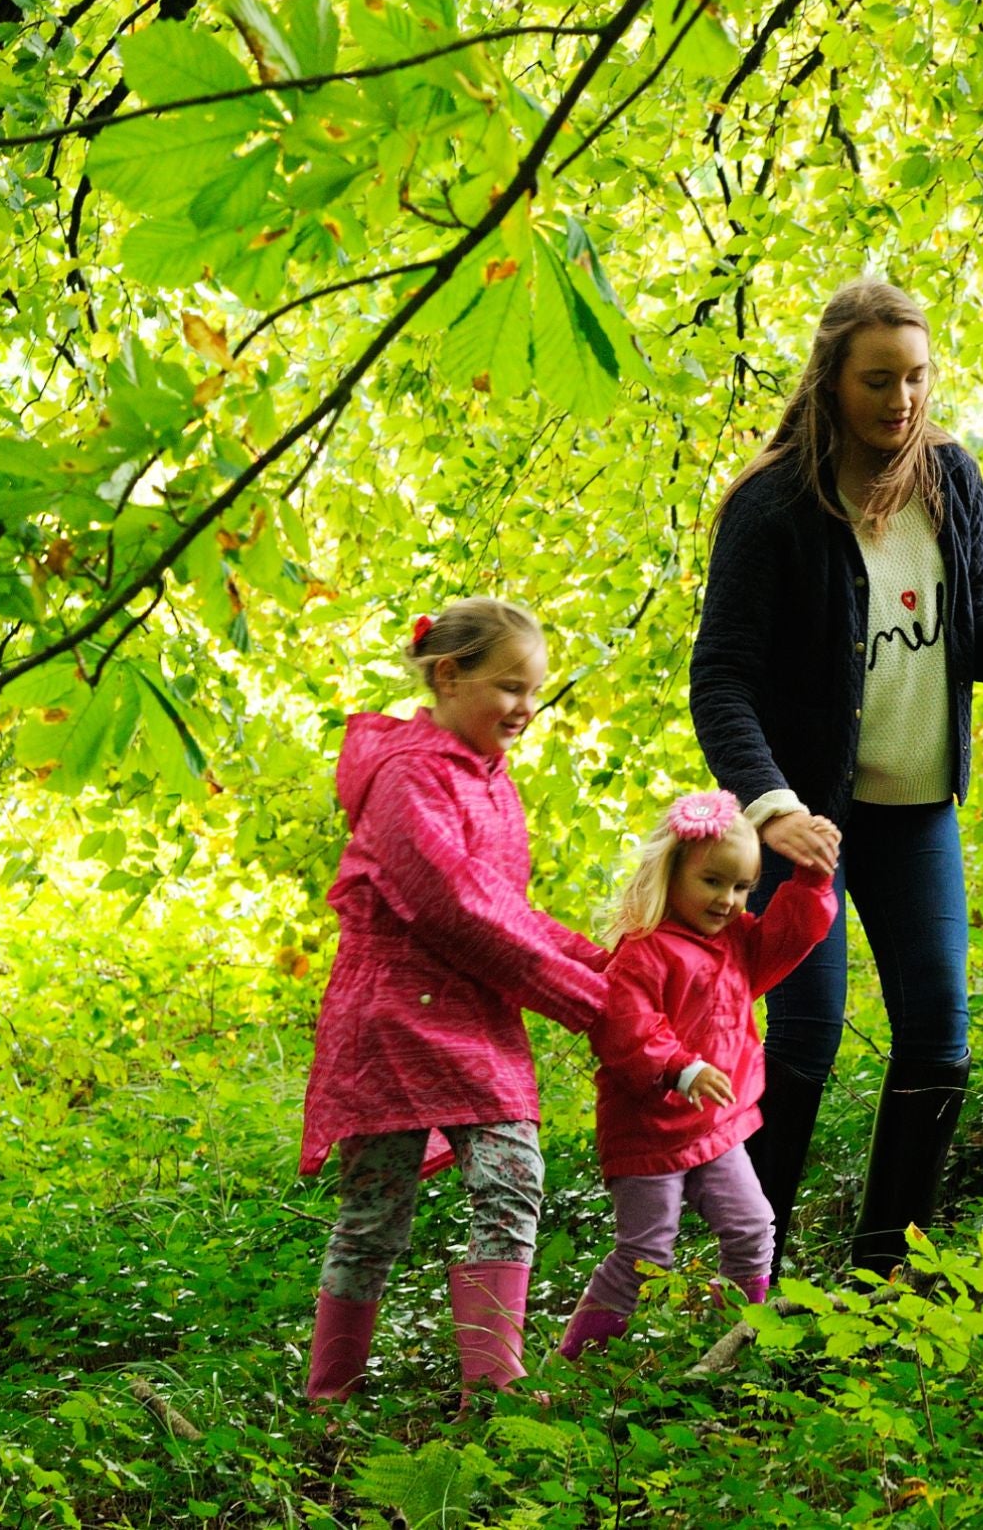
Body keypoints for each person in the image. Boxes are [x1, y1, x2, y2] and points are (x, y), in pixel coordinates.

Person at [690, 279, 983, 1277]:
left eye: (915, 378)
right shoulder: (773, 506)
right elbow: (722, 679)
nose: (899, 400)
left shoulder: (953, 480)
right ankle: (756, 1276)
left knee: (940, 1042)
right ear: (831, 381)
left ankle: (880, 1273)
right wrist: (772, 809)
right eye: (877, 380)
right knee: (805, 1038)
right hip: (802, 824)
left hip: (916, 817)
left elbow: (968, 645)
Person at [300, 597, 610, 1403]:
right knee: (375, 1217)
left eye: (534, 691)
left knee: (512, 1177)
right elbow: (457, 909)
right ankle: (329, 1399)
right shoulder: (408, 776)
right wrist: (587, 1001)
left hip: (474, 1017)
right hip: (393, 1023)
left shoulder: (493, 782)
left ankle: (492, 1389)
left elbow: (506, 904)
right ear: (449, 675)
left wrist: (609, 968)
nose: (526, 709)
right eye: (510, 688)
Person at [556, 790, 838, 1361]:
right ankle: (574, 1365)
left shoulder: (734, 941)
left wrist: (810, 883)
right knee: (647, 1252)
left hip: (716, 1126)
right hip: (649, 1133)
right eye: (713, 882)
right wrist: (681, 1067)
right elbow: (625, 1028)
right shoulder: (643, 951)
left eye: (741, 887)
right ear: (672, 871)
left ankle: (726, 1341)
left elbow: (786, 939)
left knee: (753, 1228)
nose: (728, 901)